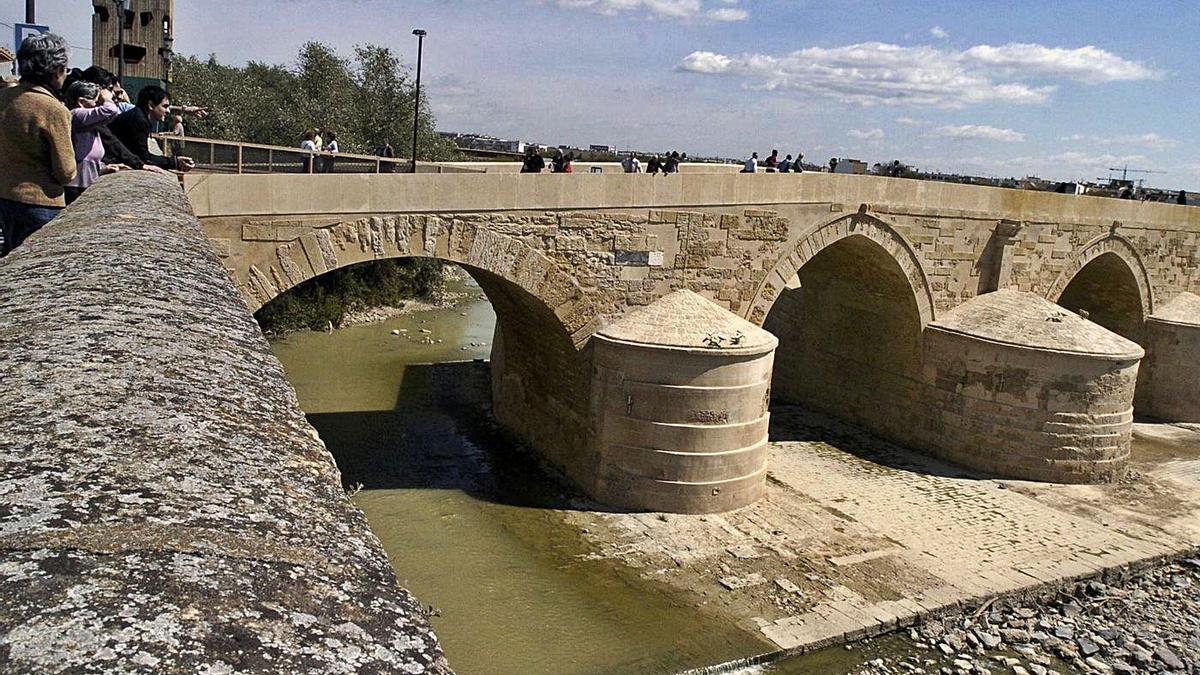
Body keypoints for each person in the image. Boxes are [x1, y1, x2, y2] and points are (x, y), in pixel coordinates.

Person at [0, 33, 76, 256]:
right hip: (41, 202)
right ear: (56, 70)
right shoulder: (53, 109)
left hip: (5, 196)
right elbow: (66, 172)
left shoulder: (3, 98)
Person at [108, 85, 195, 172]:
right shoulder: (139, 120)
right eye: (165, 106)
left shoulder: (138, 116)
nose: (168, 111)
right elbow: (144, 158)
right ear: (150, 105)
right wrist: (175, 162)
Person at [63, 79, 123, 204]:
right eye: (96, 102)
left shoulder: (84, 119)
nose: (97, 105)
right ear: (81, 102)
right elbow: (110, 110)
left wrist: (101, 167)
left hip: (84, 180)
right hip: (76, 184)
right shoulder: (77, 114)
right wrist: (106, 98)